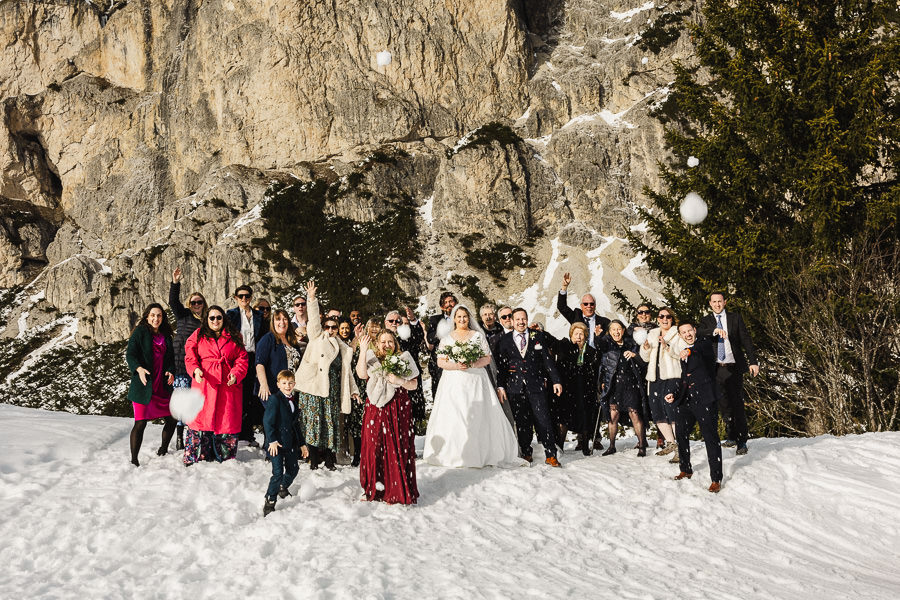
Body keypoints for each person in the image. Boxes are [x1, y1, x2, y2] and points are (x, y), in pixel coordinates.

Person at [424, 305, 521, 467]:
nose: (462, 319)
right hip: (453, 382)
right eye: (459, 317)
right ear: (454, 319)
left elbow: (487, 358)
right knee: (455, 414)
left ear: (469, 318)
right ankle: (454, 452)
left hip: (476, 380)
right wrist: (456, 365)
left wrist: (473, 363)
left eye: (465, 316)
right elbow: (441, 361)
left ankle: (480, 451)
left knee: (478, 413)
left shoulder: (477, 336)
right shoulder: (447, 338)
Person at [294, 281, 360, 470]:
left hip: (332, 390)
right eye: (328, 327)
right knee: (314, 424)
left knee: (330, 425)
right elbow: (313, 320)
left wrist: (353, 391)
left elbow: (347, 373)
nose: (330, 330)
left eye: (334, 327)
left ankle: (330, 459)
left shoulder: (343, 347)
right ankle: (314, 460)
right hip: (314, 387)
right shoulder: (316, 338)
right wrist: (312, 299)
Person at [356, 331, 420, 504]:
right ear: (377, 344)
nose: (387, 345)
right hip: (375, 407)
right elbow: (362, 374)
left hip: (398, 406)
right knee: (373, 445)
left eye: (390, 341)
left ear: (395, 343)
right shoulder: (371, 357)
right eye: (383, 341)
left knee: (396, 445)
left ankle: (396, 489)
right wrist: (362, 349)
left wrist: (399, 380)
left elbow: (414, 385)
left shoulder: (404, 357)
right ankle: (374, 488)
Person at [495, 307, 564, 466]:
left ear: (527, 320)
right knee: (522, 422)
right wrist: (501, 386)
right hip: (515, 388)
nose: (521, 322)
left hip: (536, 385)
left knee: (543, 420)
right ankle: (526, 452)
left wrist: (556, 380)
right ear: (512, 321)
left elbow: (548, 361)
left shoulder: (538, 337)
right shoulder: (504, 341)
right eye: (517, 319)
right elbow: (502, 367)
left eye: (523, 319)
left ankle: (550, 454)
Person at [183, 305, 249, 465]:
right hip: (204, 382)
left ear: (223, 319)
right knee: (200, 417)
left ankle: (225, 457)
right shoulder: (198, 335)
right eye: (211, 317)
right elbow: (189, 355)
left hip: (227, 384)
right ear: (206, 319)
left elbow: (242, 358)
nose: (215, 320)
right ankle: (196, 456)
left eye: (219, 317)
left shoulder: (234, 336)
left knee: (225, 418)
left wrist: (236, 373)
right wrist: (196, 370)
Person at [698, 292, 759, 455]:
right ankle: (731, 435)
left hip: (733, 366)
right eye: (714, 302)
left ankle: (742, 440)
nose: (717, 304)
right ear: (710, 303)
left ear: (725, 302)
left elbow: (746, 340)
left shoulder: (735, 318)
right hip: (716, 368)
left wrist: (753, 361)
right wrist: (714, 330)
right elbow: (699, 333)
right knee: (723, 404)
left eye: (720, 301)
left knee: (737, 403)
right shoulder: (706, 321)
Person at [665, 322, 723, 493]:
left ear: (695, 330)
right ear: (680, 335)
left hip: (705, 399)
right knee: (681, 433)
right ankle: (685, 468)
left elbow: (702, 345)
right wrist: (674, 394)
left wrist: (689, 351)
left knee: (710, 438)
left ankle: (716, 479)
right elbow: (685, 378)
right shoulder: (685, 353)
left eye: (689, 330)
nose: (687, 334)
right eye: (683, 332)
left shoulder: (703, 345)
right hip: (687, 400)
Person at [126, 303, 177, 466]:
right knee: (140, 423)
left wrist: (170, 371)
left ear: (163, 318)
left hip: (161, 386)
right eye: (153, 315)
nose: (156, 318)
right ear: (147, 316)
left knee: (172, 418)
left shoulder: (166, 335)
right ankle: (134, 459)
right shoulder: (140, 332)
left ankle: (163, 448)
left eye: (159, 315)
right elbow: (130, 354)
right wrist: (138, 369)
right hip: (144, 385)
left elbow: (170, 360)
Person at [597, 320, 648, 456]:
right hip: (614, 384)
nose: (616, 332)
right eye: (613, 329)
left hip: (630, 383)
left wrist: (634, 355)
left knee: (634, 414)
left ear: (623, 330)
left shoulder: (631, 344)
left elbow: (643, 362)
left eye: (619, 329)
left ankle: (642, 445)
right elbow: (602, 364)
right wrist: (602, 381)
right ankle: (612, 446)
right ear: (610, 331)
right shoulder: (607, 344)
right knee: (613, 415)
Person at [168, 267, 206, 449]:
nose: (196, 305)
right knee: (182, 400)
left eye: (199, 302)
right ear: (189, 305)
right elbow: (173, 302)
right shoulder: (183, 316)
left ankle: (193, 434)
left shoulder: (207, 322)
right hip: (179, 365)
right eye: (193, 302)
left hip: (197, 368)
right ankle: (179, 436)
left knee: (194, 402)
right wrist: (175, 282)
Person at [263, 370, 309, 517]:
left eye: (290, 383)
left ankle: (283, 486)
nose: (287, 386)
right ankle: (270, 500)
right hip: (275, 444)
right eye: (284, 383)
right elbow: (267, 422)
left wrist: (302, 444)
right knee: (277, 472)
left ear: (294, 384)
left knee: (293, 469)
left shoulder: (294, 401)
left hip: (290, 443)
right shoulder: (275, 399)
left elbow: (296, 425)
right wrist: (272, 441)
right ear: (278, 384)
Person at [226, 284, 267, 447]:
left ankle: (248, 434)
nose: (244, 299)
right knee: (237, 395)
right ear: (236, 298)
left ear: (251, 297)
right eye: (241, 296)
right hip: (237, 359)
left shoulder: (258, 315)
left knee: (251, 396)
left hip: (254, 357)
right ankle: (236, 432)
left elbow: (263, 337)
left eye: (247, 296)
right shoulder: (231, 315)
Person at [551, 322, 601, 456]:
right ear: (571, 335)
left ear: (585, 336)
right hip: (567, 388)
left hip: (585, 389)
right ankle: (560, 446)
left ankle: (585, 446)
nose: (578, 337)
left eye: (581, 334)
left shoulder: (591, 352)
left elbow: (596, 371)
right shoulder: (565, 347)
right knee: (564, 418)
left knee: (585, 417)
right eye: (576, 334)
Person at [639, 307, 681, 455]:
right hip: (654, 377)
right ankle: (671, 443)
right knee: (657, 411)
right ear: (657, 319)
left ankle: (681, 447)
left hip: (671, 376)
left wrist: (666, 346)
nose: (664, 319)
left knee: (672, 411)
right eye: (661, 316)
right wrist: (645, 348)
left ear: (672, 319)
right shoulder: (652, 333)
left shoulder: (677, 333)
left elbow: (680, 354)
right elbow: (645, 358)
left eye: (668, 317)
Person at [384, 309, 426, 433]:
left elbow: (418, 336)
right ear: (385, 322)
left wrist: (413, 320)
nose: (394, 323)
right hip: (389, 385)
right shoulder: (380, 338)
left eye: (397, 321)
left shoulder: (407, 336)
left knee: (411, 415)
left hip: (409, 382)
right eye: (391, 321)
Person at [255, 309, 303, 404]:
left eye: (285, 319)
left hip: (291, 391)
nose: (282, 322)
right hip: (273, 390)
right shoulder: (268, 339)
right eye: (278, 319)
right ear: (273, 322)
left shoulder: (292, 342)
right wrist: (264, 384)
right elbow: (260, 364)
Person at [557, 272, 611, 348]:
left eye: (591, 304)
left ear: (595, 306)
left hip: (596, 356)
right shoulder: (576, 317)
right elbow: (562, 306)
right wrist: (564, 287)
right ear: (581, 306)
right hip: (577, 355)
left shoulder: (605, 322)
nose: (589, 306)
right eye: (586, 304)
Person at [425, 291, 457, 395]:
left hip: (459, 360)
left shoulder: (462, 318)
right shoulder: (435, 320)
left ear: (456, 303)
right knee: (440, 392)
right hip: (440, 363)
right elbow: (430, 339)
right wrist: (441, 332)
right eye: (445, 302)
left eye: (451, 301)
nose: (449, 304)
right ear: (442, 306)